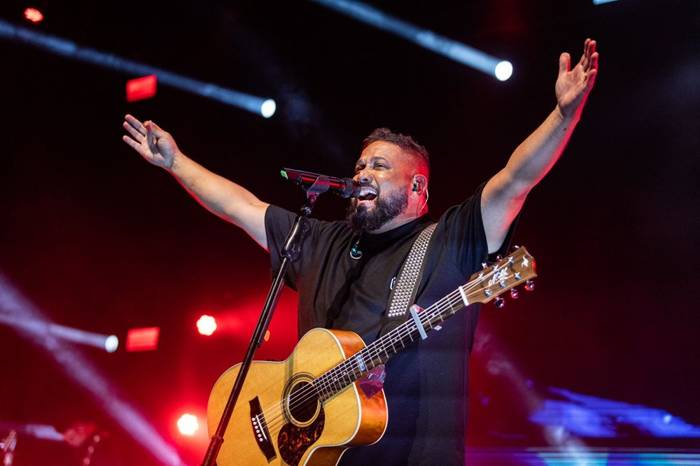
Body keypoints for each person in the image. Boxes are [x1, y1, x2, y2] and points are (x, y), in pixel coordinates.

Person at [122, 39, 598, 465]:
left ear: (416, 186)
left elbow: (515, 180)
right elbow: (240, 205)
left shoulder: (448, 241)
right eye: (360, 163)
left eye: (379, 165)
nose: (363, 172)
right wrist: (176, 163)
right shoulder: (322, 239)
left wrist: (563, 116)